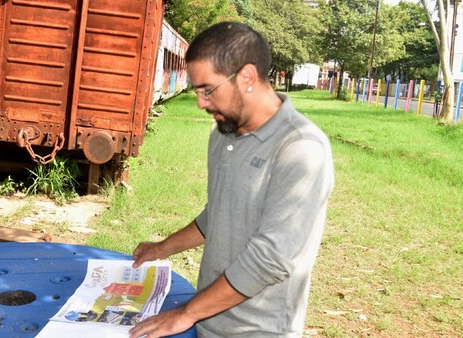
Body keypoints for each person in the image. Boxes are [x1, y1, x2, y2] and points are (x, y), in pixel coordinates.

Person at [129, 22, 334, 338]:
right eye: (197, 91)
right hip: (208, 321)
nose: (200, 103)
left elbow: (270, 260)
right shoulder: (223, 133)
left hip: (258, 330)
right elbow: (219, 214)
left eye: (207, 90)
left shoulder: (301, 148)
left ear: (247, 78)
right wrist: (161, 249)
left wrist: (185, 314)